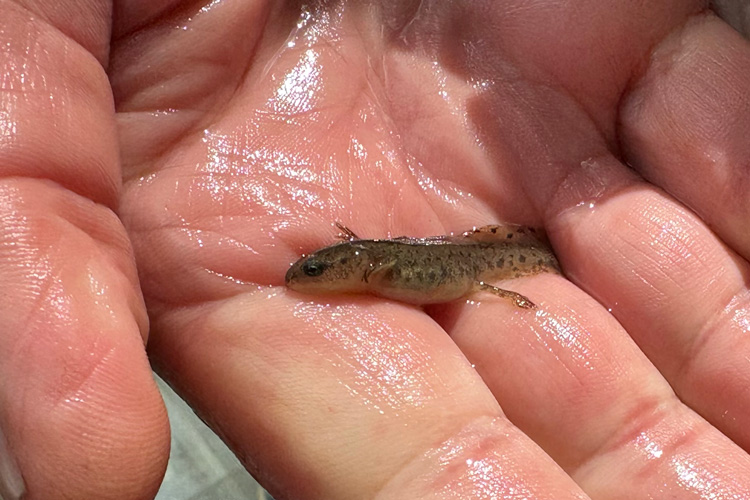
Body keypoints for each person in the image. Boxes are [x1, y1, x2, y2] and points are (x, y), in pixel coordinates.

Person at [1, 1, 749, 498]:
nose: (309, 276)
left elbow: (412, 259)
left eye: (320, 268)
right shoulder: (371, 267)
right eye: (317, 267)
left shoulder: (389, 265)